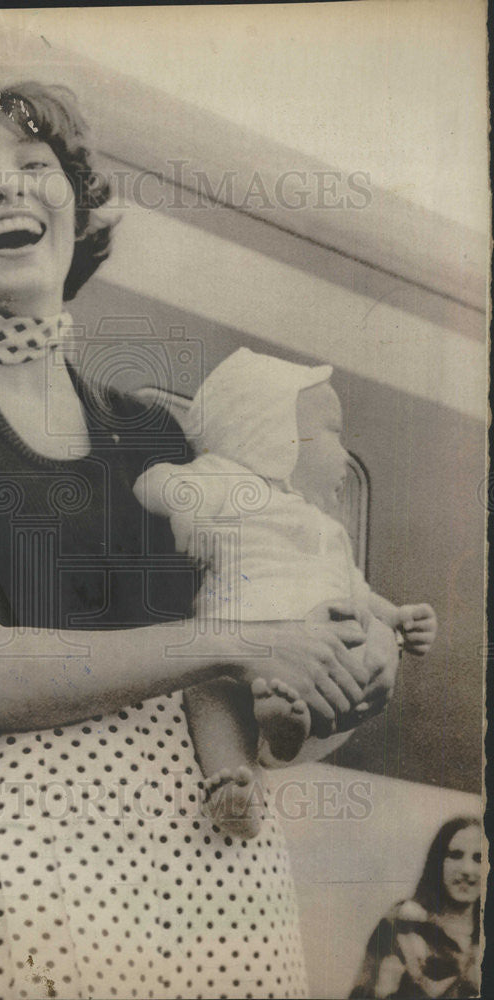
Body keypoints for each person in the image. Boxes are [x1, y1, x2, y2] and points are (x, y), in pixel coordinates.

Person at [0, 79, 400, 999]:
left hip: (222, 847)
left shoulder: (152, 430)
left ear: (72, 203)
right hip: (44, 849)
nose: (9, 188)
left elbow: (245, 681)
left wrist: (335, 686)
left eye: (33, 166)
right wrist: (238, 640)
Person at [133, 347, 437, 837]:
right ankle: (239, 786)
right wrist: (180, 499)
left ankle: (281, 729)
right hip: (246, 646)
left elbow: (356, 590)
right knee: (206, 683)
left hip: (323, 659)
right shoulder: (227, 480)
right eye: (335, 432)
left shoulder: (326, 528)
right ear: (269, 433)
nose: (344, 452)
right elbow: (155, 485)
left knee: (369, 630)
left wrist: (398, 618)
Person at [350, 816, 481, 998]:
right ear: (438, 861)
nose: (467, 869)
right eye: (455, 855)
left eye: (479, 858)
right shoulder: (403, 925)